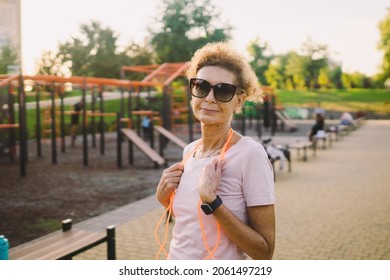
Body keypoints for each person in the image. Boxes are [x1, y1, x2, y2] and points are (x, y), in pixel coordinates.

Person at [155, 42, 275, 260]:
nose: (209, 97)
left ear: (238, 101)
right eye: (201, 86)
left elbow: (264, 251)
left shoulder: (250, 155)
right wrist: (164, 199)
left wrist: (213, 202)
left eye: (222, 90)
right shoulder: (190, 150)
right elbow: (192, 222)